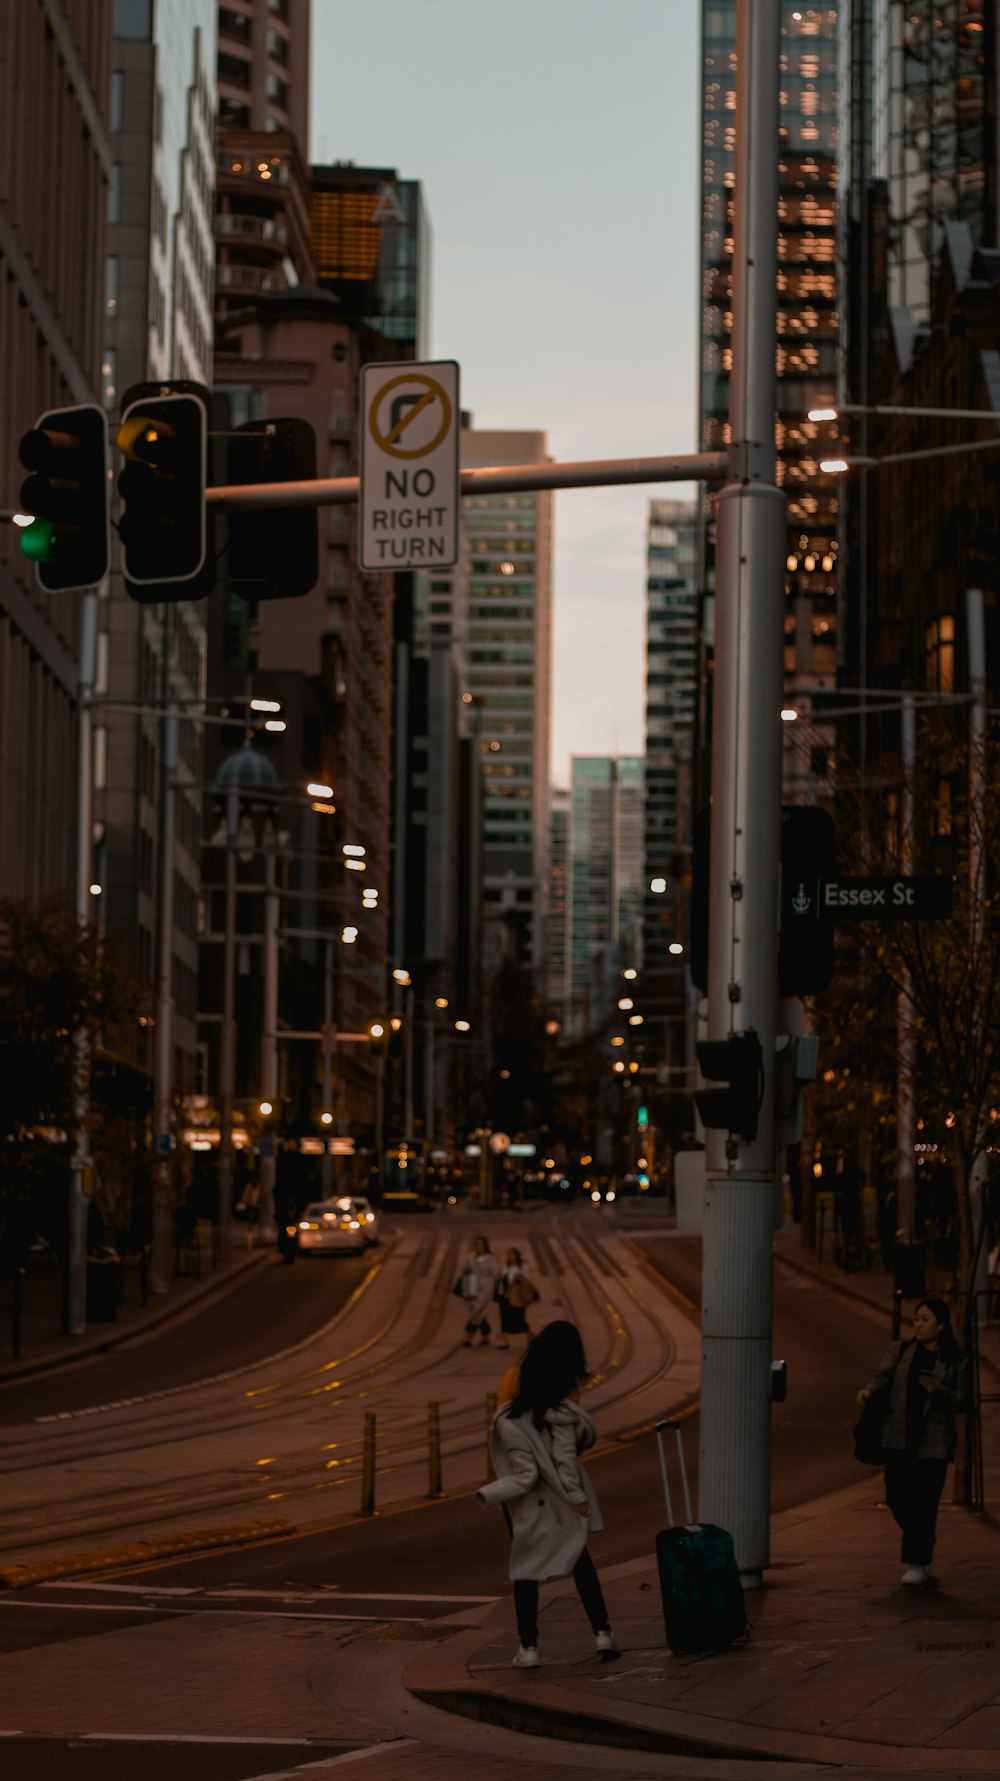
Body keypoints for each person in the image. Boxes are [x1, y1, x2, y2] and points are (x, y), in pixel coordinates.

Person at [478, 1320, 618, 1668]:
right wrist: (575, 1494)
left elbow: (505, 1432)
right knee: (580, 1560)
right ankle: (603, 1633)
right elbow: (564, 1450)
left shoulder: (513, 1378)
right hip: (560, 1487)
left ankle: (529, 1648)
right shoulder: (568, 1390)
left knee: (526, 1565)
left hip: (524, 1490)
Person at [856, 1296, 970, 1587]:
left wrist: (938, 1391)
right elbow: (882, 1375)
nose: (918, 1324)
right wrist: (869, 1391)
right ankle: (923, 1541)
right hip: (898, 1439)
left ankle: (916, 1562)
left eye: (926, 1319)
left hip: (933, 1443)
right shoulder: (902, 1349)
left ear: (941, 1325)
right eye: (917, 1318)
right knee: (897, 1497)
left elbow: (966, 1401)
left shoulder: (955, 1360)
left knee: (924, 1503)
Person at [495, 1245, 537, 1350]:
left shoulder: (522, 1267)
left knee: (519, 1318)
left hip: (517, 1297)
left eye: (513, 1254)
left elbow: (528, 1281)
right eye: (509, 1254)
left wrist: (519, 1279)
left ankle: (530, 1334)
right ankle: (506, 1343)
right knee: (504, 1318)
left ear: (517, 1256)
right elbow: (501, 1281)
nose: (510, 1256)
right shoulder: (505, 1268)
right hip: (504, 1296)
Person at [462, 1236, 499, 1347]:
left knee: (477, 1311)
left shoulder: (490, 1258)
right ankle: (486, 1337)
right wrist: (466, 1270)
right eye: (477, 1244)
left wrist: (490, 1270)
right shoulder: (471, 1257)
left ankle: (469, 1337)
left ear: (485, 1246)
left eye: (481, 1244)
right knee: (480, 1312)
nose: (479, 1247)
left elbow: (496, 1272)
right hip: (472, 1287)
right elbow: (465, 1270)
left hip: (485, 1288)